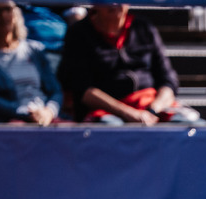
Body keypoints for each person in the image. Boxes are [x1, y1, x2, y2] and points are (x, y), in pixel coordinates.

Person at [57, 3, 198, 125]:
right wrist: (128, 113)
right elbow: (83, 90)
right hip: (105, 112)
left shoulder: (144, 28)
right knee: (111, 130)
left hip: (150, 106)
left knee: (193, 127)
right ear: (95, 4)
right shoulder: (79, 33)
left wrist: (153, 109)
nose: (115, 4)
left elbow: (168, 80)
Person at [0, 1, 62, 125]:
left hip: (44, 116)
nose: (3, 16)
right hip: (8, 121)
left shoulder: (35, 50)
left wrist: (49, 111)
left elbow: (55, 91)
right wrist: (27, 113)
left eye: (8, 9)